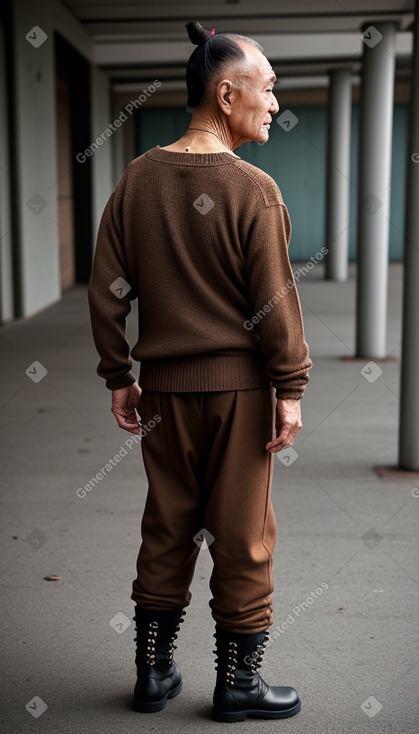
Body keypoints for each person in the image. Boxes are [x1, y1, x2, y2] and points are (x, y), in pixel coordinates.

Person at [87, 20, 312, 722]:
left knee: (167, 527)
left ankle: (153, 677)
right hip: (240, 394)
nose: (274, 103)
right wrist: (291, 389)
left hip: (163, 394)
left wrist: (119, 374)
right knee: (243, 534)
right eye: (267, 89)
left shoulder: (136, 179)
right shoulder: (254, 190)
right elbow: (274, 306)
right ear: (225, 91)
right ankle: (237, 686)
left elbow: (107, 290)